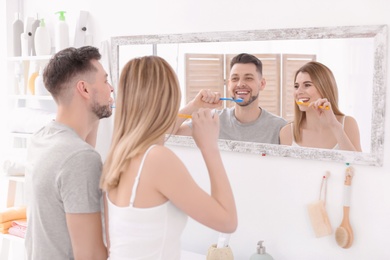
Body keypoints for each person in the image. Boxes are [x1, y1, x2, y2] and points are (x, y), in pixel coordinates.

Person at [100, 56, 237, 260]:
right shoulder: (157, 159)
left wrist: (192, 107)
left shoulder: (119, 156)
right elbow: (227, 221)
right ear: (167, 100)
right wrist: (209, 147)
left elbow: (154, 135)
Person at [25, 46, 113, 259]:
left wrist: (97, 108)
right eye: (105, 81)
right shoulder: (80, 158)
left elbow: (81, 147)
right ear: (84, 89)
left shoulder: (42, 138)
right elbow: (90, 255)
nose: (111, 89)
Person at [175, 53, 287, 144]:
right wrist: (193, 105)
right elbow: (165, 136)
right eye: (235, 79)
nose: (240, 84)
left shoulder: (279, 127)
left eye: (248, 78)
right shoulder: (212, 121)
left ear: (262, 84)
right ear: (229, 85)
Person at [279, 61, 362, 151]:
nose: (298, 92)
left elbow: (356, 164)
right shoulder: (287, 132)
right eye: (296, 86)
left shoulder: (348, 124)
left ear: (324, 88)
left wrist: (334, 125)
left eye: (307, 85)